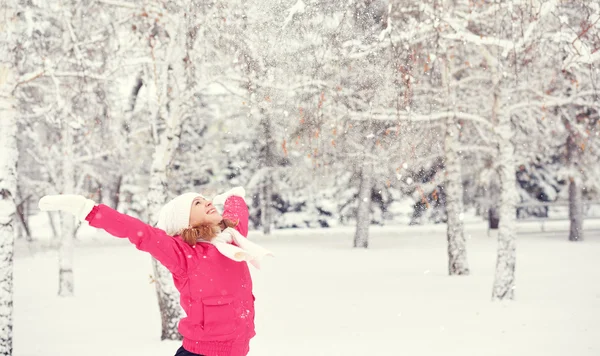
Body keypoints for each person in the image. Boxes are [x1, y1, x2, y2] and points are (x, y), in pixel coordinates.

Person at [38, 187, 272, 356]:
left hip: (239, 347)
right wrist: (88, 210)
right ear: (185, 223)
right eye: (197, 204)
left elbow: (236, 215)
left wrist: (234, 197)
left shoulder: (232, 238)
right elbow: (140, 232)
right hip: (203, 352)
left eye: (205, 199)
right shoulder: (183, 254)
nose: (208, 202)